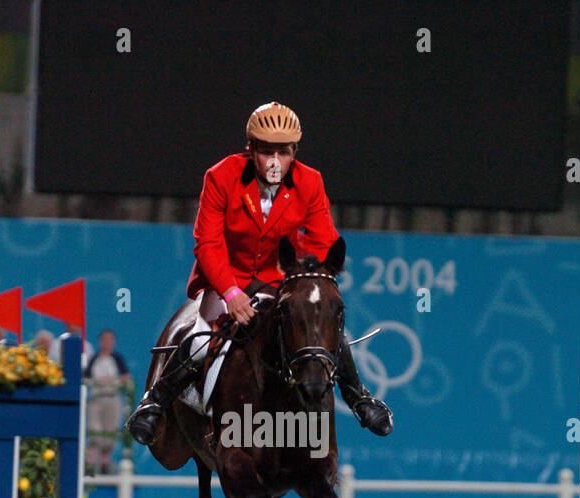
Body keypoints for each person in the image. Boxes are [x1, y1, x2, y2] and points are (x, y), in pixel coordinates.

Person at [125, 102, 392, 444]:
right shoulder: (220, 176)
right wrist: (231, 293)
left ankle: (358, 396)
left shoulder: (310, 182)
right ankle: (155, 403)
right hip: (228, 278)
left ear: (295, 151)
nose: (275, 162)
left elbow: (324, 240)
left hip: (278, 281)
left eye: (284, 152)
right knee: (201, 337)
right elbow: (207, 243)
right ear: (250, 148)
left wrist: (314, 281)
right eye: (267, 152)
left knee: (317, 325)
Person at [83, 329, 132, 474]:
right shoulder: (94, 358)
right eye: (104, 339)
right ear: (100, 341)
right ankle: (90, 463)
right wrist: (97, 382)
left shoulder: (117, 358)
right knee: (95, 430)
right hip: (96, 401)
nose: (107, 342)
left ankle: (105, 462)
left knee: (111, 431)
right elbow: (85, 377)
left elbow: (126, 376)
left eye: (110, 339)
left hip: (112, 400)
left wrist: (112, 381)